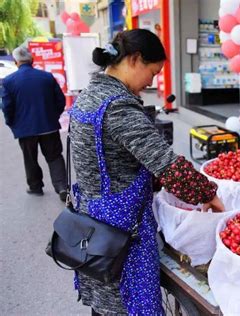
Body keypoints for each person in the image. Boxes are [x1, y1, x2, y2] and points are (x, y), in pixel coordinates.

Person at [68, 29, 224, 315]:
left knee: (106, 298)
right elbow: (167, 164)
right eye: (152, 72)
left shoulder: (90, 94)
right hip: (120, 228)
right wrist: (208, 195)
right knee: (125, 301)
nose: (152, 81)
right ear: (135, 59)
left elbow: (116, 157)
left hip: (93, 217)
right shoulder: (117, 107)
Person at [1, 46, 67, 201]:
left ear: (16, 62)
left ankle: (35, 187)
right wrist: (52, 116)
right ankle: (62, 187)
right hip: (49, 126)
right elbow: (60, 100)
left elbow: (7, 107)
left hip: (25, 130)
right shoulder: (47, 77)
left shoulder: (9, 81)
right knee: (55, 156)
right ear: (32, 60)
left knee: (30, 158)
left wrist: (12, 123)